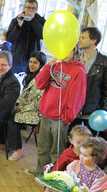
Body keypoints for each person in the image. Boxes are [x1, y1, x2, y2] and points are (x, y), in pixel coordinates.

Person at [25, 45, 87, 176]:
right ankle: (40, 172)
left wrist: (67, 117)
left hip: (60, 118)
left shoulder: (78, 71)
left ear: (75, 51)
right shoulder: (56, 66)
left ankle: (53, 176)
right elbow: (40, 84)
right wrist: (48, 66)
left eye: (69, 49)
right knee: (43, 148)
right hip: (46, 115)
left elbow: (78, 97)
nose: (65, 53)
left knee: (56, 151)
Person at [0, 51, 47, 161]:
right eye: (30, 62)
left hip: (34, 111)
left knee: (13, 120)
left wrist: (19, 108)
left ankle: (18, 148)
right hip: (26, 108)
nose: (31, 64)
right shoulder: (30, 76)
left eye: (35, 62)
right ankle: (0, 140)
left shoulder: (40, 79)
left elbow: (37, 102)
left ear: (41, 64)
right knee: (6, 113)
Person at [70, 27, 107, 130]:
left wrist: (102, 111)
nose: (79, 40)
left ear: (93, 40)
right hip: (73, 109)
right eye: (79, 37)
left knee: (89, 143)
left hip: (92, 112)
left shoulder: (106, 63)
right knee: (70, 140)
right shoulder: (74, 59)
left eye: (83, 38)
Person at [6, 0, 45, 74]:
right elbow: (10, 38)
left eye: (33, 8)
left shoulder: (40, 21)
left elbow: (42, 35)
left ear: (36, 10)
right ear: (24, 8)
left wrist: (33, 21)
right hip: (16, 59)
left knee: (28, 83)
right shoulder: (16, 20)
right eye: (28, 7)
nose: (30, 10)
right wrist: (19, 25)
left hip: (32, 61)